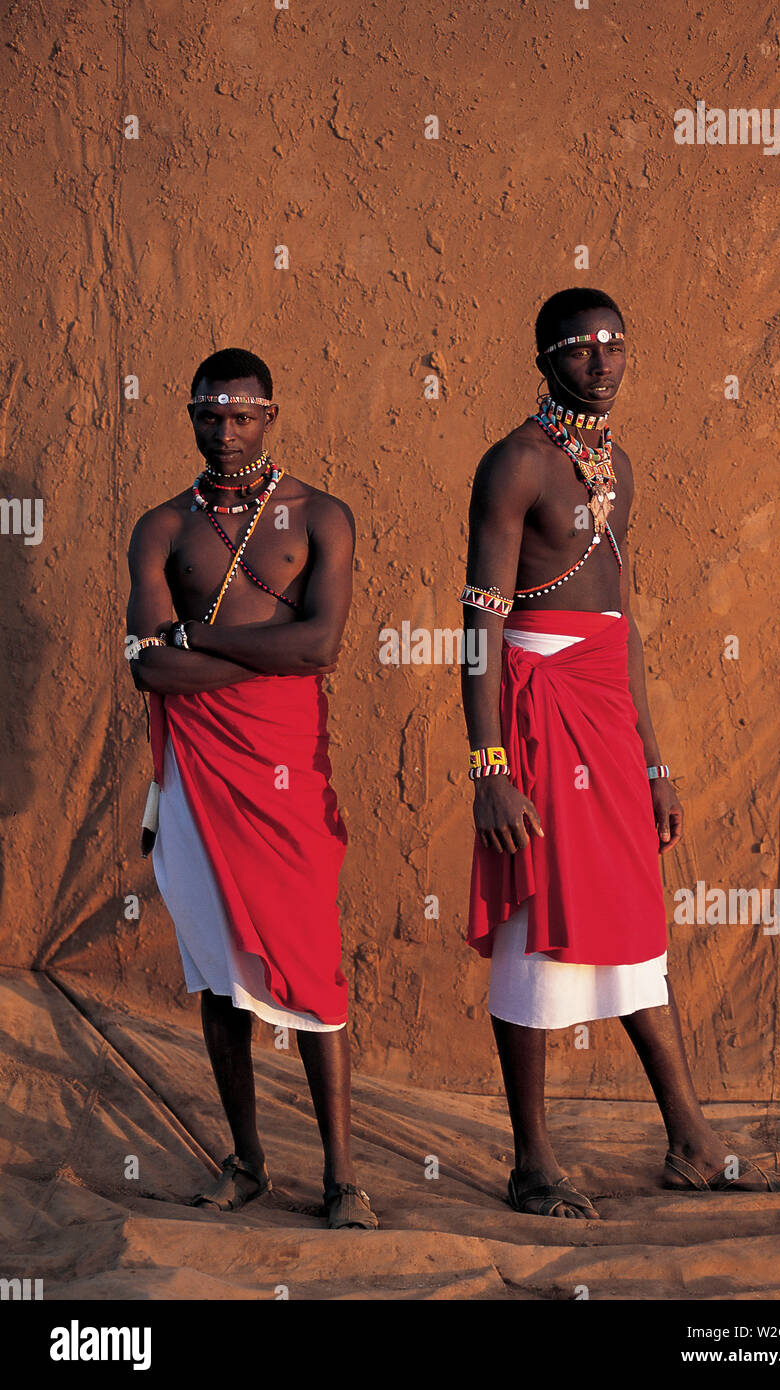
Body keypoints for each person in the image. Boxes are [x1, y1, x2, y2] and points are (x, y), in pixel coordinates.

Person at [459, 289, 780, 1218]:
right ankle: (533, 1161)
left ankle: (688, 1139)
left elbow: (624, 622)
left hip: (607, 715)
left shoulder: (618, 467)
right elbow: (478, 626)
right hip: (536, 713)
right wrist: (489, 772)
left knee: (632, 921)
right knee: (538, 914)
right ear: (544, 361)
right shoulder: (515, 466)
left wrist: (653, 760)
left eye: (615, 345)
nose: (602, 363)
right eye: (580, 349)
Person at [125, 347, 377, 1229]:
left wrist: (194, 637)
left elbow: (319, 649)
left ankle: (344, 1179)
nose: (225, 432)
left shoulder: (322, 516)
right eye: (208, 415)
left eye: (241, 415)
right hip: (198, 774)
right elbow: (150, 672)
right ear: (190, 416)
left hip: (285, 773)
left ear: (271, 413)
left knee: (310, 962)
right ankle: (248, 1161)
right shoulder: (160, 527)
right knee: (219, 976)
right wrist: (237, 657)